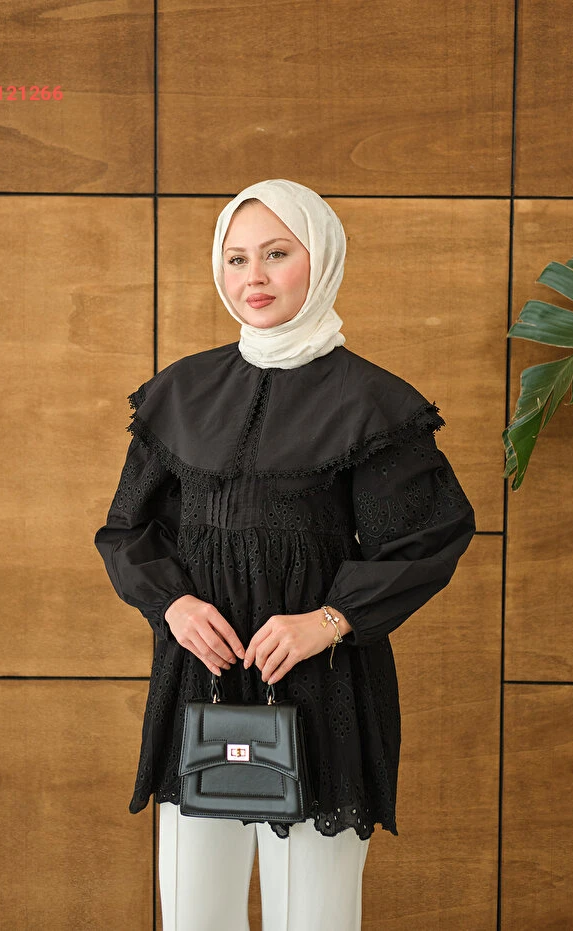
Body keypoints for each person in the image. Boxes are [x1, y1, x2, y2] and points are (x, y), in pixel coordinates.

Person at [93, 178, 476, 930]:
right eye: (236, 258)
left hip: (321, 683)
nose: (254, 277)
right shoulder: (182, 390)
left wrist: (328, 620)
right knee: (193, 915)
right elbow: (128, 528)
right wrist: (174, 604)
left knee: (314, 916)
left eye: (276, 253)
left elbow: (428, 535)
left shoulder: (372, 401)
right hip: (199, 676)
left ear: (321, 258)